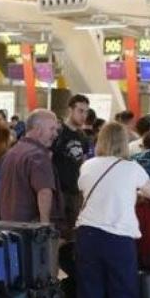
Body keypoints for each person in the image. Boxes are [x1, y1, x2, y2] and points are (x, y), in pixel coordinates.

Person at [74, 122, 150, 298]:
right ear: (124, 142)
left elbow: (83, 189)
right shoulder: (133, 168)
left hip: (88, 235)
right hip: (119, 238)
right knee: (123, 293)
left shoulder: (87, 165)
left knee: (90, 292)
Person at [0, 109, 60, 223]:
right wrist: (45, 225)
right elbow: (44, 192)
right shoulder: (38, 156)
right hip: (30, 228)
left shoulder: (12, 152)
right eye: (52, 129)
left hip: (8, 223)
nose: (55, 134)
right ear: (37, 129)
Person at [52, 94, 92, 241]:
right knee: (59, 231)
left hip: (76, 191)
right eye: (80, 111)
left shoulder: (83, 136)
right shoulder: (58, 132)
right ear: (71, 110)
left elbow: (84, 161)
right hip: (59, 190)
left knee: (73, 231)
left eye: (86, 112)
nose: (84, 115)